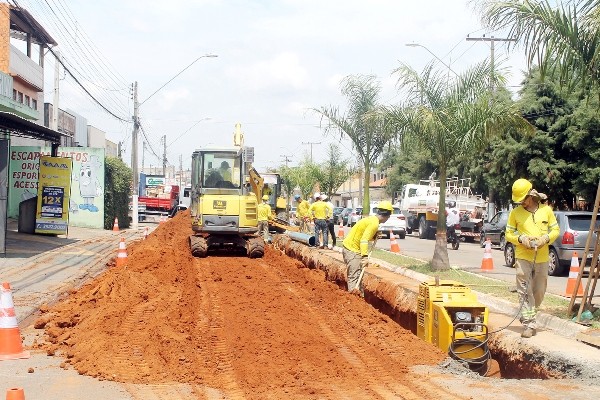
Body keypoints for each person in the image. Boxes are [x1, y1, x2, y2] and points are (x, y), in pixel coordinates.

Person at [505, 179, 559, 338]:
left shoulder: (546, 211)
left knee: (539, 291)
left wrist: (545, 239)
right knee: (524, 291)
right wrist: (521, 239)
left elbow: (555, 230)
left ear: (531, 195)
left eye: (523, 199)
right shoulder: (515, 213)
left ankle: (528, 314)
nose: (521, 203)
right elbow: (509, 233)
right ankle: (529, 323)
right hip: (523, 257)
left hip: (542, 257)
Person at [342, 201, 392, 295]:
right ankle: (354, 303)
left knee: (357, 277)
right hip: (353, 250)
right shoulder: (374, 223)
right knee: (355, 278)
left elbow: (363, 235)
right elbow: (364, 240)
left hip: (349, 247)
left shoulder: (371, 219)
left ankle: (359, 300)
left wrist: (374, 236)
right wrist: (365, 256)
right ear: (387, 216)